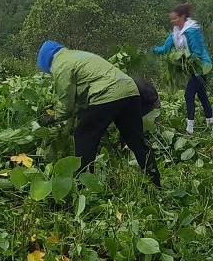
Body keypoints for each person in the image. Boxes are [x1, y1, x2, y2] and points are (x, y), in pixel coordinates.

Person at [37, 40, 161, 187]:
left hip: (107, 94)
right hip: (130, 90)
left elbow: (66, 101)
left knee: (83, 135)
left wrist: (54, 118)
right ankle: (156, 184)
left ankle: (83, 186)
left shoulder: (60, 65)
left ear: (45, 61)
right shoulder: (77, 55)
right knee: (136, 143)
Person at [152, 2, 213, 134]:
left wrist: (183, 60)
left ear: (183, 16)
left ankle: (189, 129)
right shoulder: (175, 34)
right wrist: (152, 51)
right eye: (172, 19)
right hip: (192, 68)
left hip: (201, 66)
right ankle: (210, 123)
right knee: (202, 95)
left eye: (175, 18)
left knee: (188, 95)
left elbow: (197, 52)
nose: (173, 21)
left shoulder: (192, 31)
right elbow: (165, 48)